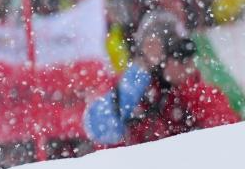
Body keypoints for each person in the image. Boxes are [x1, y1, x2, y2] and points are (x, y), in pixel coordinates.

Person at [84, 12, 238, 146]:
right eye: (176, 54)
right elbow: (100, 130)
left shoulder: (198, 92)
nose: (184, 63)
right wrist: (140, 73)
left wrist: (187, 87)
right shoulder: (128, 86)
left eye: (185, 54)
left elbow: (227, 132)